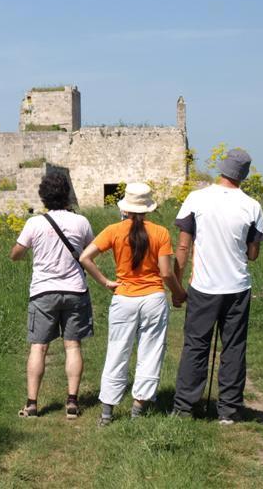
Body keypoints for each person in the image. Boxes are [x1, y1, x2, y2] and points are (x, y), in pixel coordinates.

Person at [171, 148, 263, 424]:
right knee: (234, 346)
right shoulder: (252, 206)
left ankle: (184, 407)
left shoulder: (196, 198)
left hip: (204, 285)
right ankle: (229, 410)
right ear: (244, 175)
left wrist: (176, 285)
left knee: (195, 345)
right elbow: (252, 254)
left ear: (222, 168)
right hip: (237, 286)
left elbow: (183, 245)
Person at [79, 182, 187, 425]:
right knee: (151, 351)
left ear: (125, 207)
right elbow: (167, 273)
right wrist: (179, 293)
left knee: (117, 350)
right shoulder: (160, 233)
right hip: (153, 298)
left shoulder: (114, 230)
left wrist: (106, 282)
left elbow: (85, 257)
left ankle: (107, 412)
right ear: (148, 208)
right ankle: (139, 407)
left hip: (124, 298)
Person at [10, 172, 95, 419]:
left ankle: (32, 403)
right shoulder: (81, 222)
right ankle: (71, 402)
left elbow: (16, 254)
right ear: (67, 194)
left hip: (43, 291)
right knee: (72, 346)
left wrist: (20, 249)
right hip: (75, 289)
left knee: (39, 347)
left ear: (43, 197)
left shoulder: (35, 223)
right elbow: (90, 251)